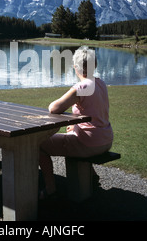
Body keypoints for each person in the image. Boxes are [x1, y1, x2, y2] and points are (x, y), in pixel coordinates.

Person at [39, 46, 113, 199]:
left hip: (89, 143)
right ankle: (91, 176)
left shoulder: (82, 87)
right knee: (71, 131)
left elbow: (54, 108)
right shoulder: (101, 83)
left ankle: (50, 188)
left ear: (75, 67)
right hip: (106, 139)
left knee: (38, 145)